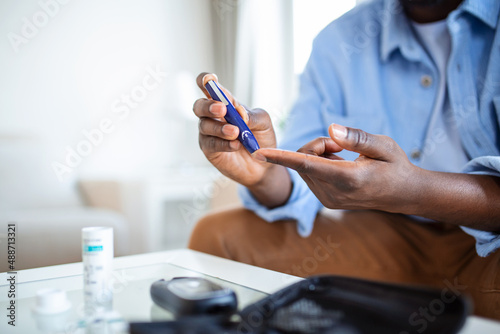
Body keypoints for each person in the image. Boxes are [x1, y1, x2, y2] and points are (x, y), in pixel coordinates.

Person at [189, 0, 500, 320]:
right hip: (385, 235)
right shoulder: (339, 41)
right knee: (218, 235)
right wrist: (264, 175)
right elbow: (298, 174)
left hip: (490, 245)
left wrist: (416, 190)